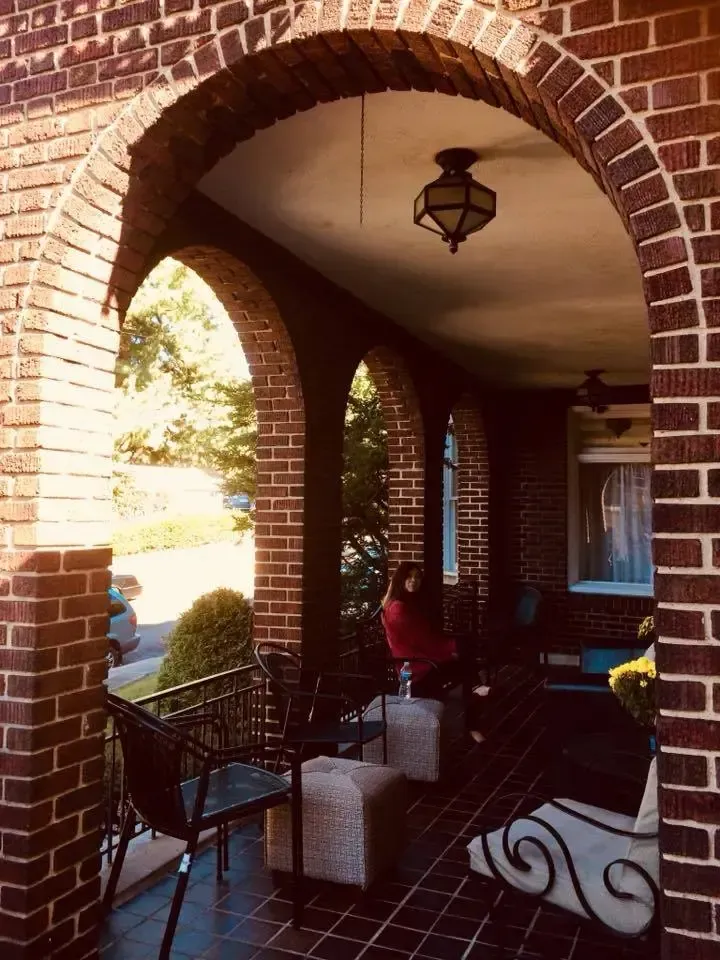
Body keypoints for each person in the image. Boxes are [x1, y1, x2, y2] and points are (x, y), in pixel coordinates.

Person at [381, 561, 488, 742]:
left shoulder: (407, 603)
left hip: (421, 660)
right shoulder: (399, 609)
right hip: (415, 669)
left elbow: (425, 639)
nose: (413, 581)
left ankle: (476, 696)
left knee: (465, 654)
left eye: (417, 577)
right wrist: (449, 651)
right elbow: (422, 642)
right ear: (400, 579)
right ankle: (473, 718)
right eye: (409, 577)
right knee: (464, 657)